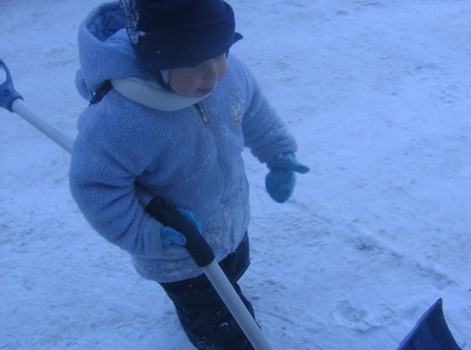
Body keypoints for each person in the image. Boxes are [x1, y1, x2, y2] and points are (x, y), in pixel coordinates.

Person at [70, 0, 309, 349]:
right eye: (196, 63)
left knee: (235, 266)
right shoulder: (120, 120)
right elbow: (96, 188)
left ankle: (225, 288)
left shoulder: (227, 78)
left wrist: (278, 152)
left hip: (231, 220)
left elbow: (252, 107)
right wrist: (152, 237)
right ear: (157, 60)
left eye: (221, 53)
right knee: (222, 325)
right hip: (179, 253)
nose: (214, 74)